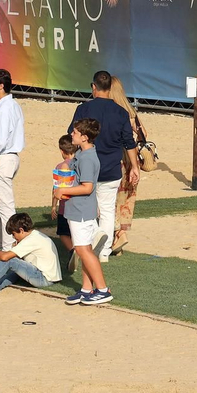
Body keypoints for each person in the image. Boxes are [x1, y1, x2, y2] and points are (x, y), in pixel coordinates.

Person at [68, 70, 133, 263]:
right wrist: (135, 167)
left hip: (87, 167)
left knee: (86, 209)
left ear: (94, 87)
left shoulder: (83, 109)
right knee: (106, 210)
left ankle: (85, 245)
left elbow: (72, 135)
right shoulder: (121, 112)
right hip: (111, 168)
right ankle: (103, 251)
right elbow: (129, 142)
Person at [56, 118, 111, 305]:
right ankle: (87, 289)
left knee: (82, 250)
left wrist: (63, 190)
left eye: (75, 132)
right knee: (85, 249)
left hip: (81, 210)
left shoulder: (87, 158)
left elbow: (87, 187)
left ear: (85, 137)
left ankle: (102, 289)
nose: (72, 133)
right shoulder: (82, 154)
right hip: (79, 209)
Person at [106, 77, 149, 254]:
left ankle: (114, 234)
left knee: (112, 197)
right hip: (132, 162)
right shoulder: (131, 112)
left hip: (118, 159)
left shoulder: (113, 112)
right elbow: (144, 134)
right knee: (127, 198)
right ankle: (121, 233)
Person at [0, 68, 24, 250]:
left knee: (4, 207)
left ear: (1, 86)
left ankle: (9, 247)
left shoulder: (5, 108)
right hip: (8, 158)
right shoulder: (11, 105)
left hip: (2, 158)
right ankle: (0, 244)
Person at [49, 133, 79, 259]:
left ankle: (73, 251)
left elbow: (56, 188)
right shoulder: (80, 164)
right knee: (75, 232)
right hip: (78, 205)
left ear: (62, 151)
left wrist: (53, 207)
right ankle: (78, 249)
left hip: (64, 207)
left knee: (63, 233)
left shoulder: (60, 167)